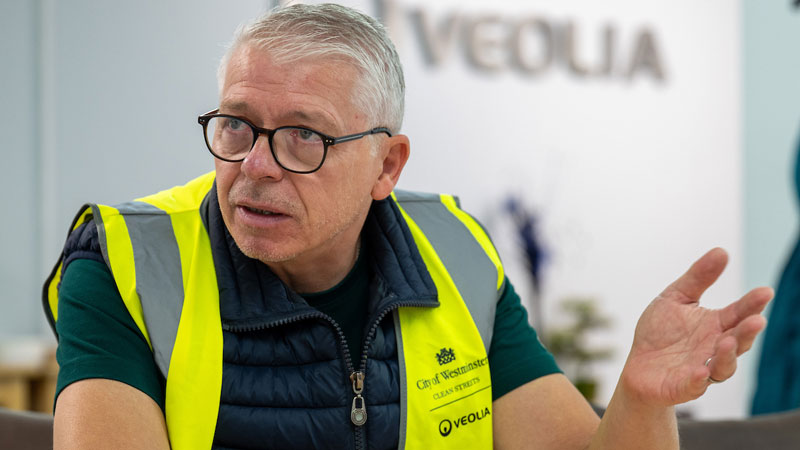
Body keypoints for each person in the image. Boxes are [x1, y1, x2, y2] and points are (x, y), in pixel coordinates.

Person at [43, 3, 773, 450]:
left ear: (386, 166)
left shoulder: (453, 256)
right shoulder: (126, 264)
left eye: (304, 136)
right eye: (237, 126)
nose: (255, 165)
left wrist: (642, 399)